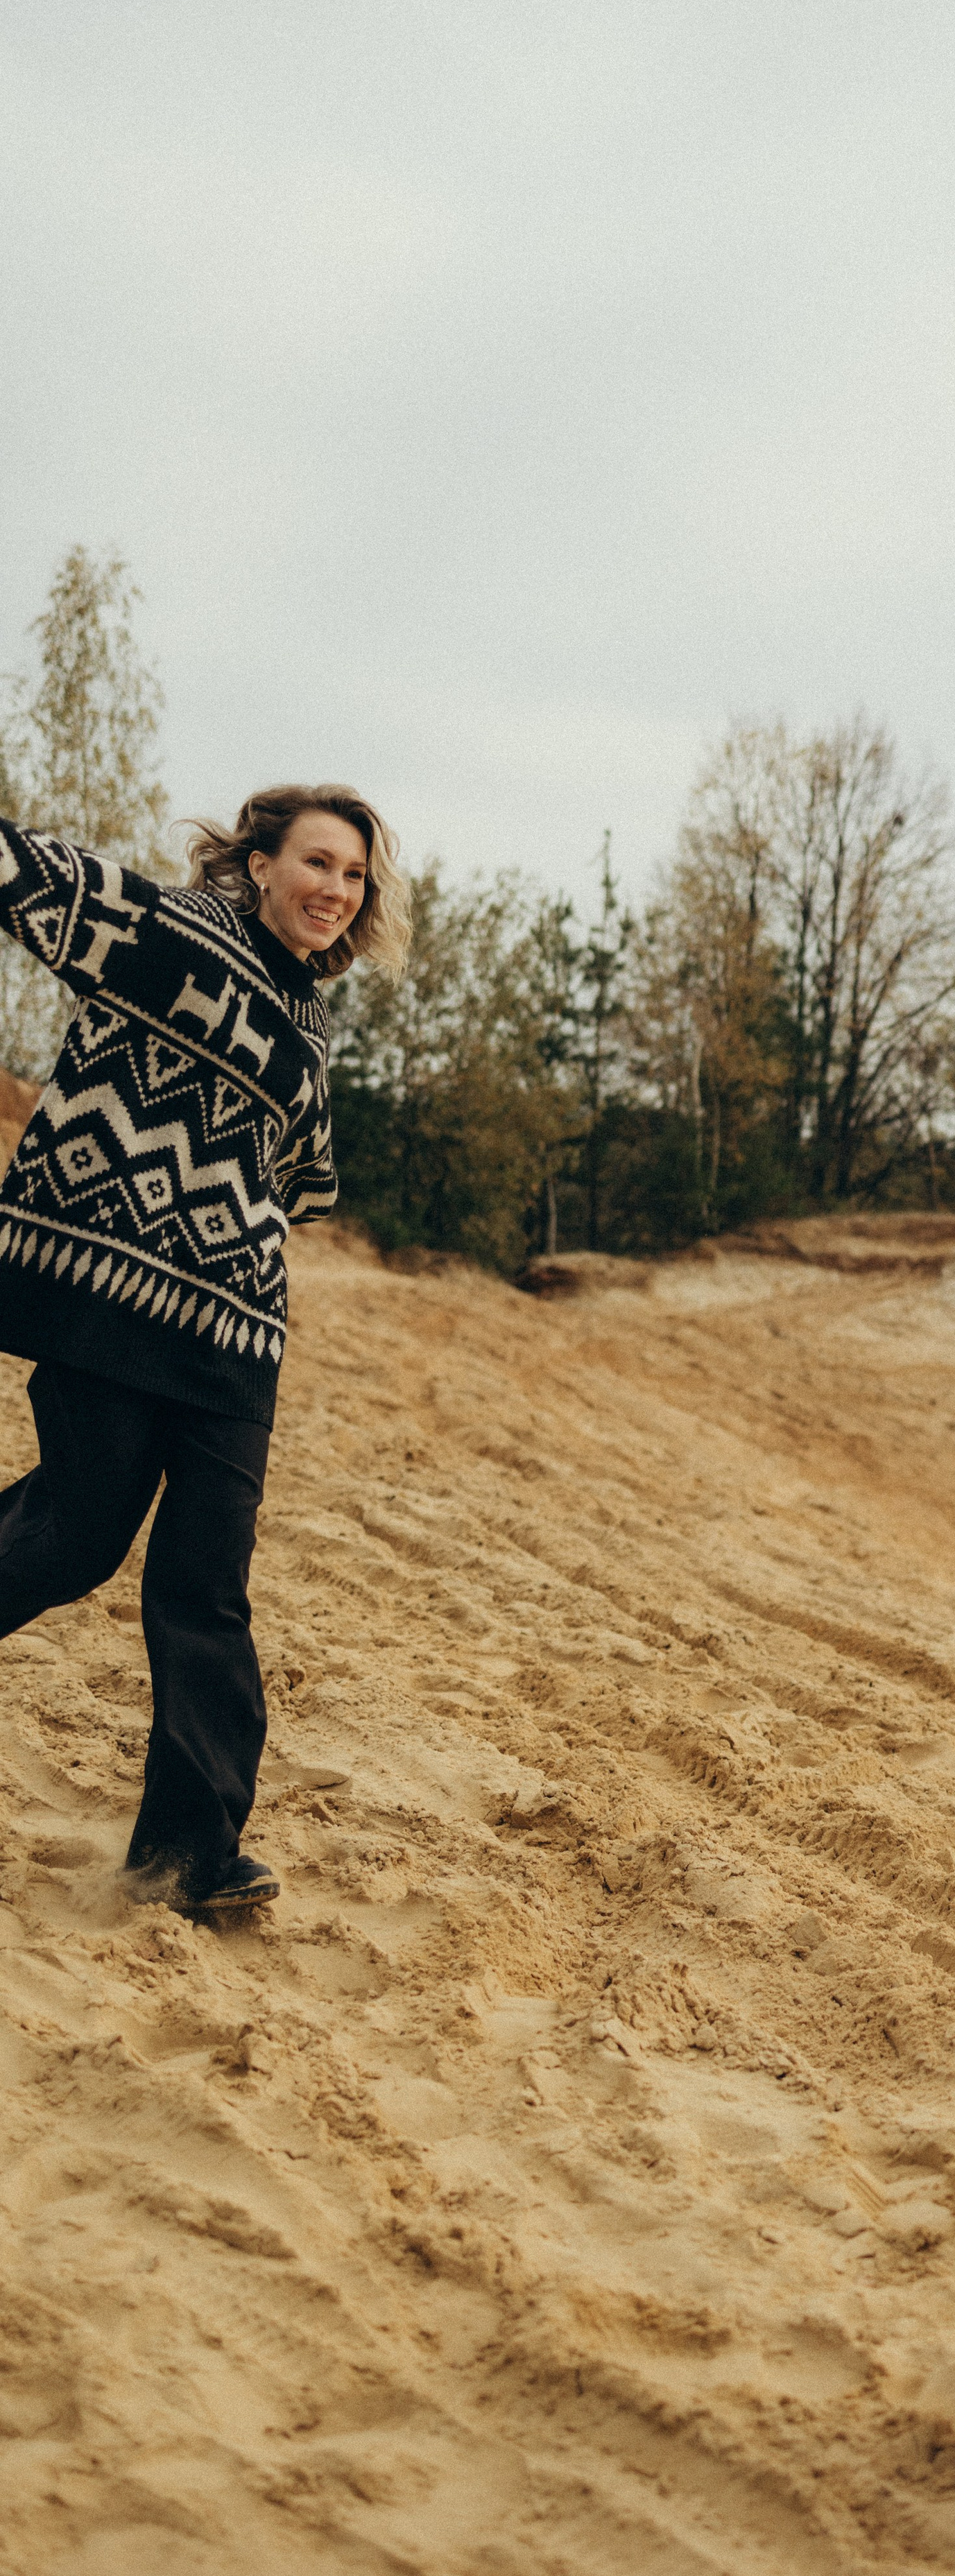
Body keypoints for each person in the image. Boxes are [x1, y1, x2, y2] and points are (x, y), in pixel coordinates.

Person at [0, 786, 408, 1914]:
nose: (337, 890)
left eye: (355, 876)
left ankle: (191, 1856)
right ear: (261, 863)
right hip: (110, 1306)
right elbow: (25, 874)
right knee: (77, 1538)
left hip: (234, 1336)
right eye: (318, 863)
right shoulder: (165, 930)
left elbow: (308, 1180)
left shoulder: (310, 1021)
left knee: (207, 1583)